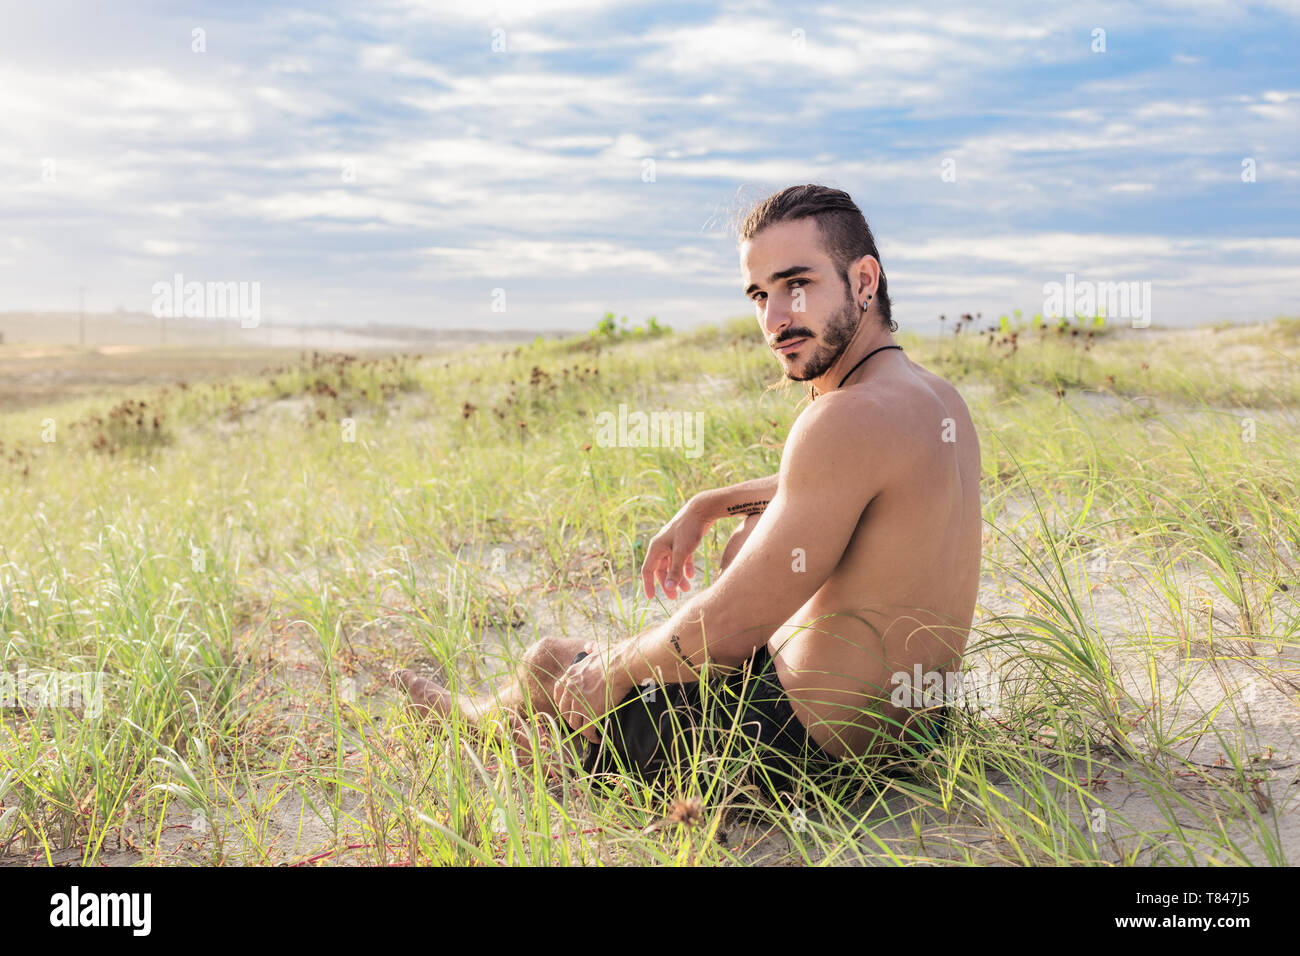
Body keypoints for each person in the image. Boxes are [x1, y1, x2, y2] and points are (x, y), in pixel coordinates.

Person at [392, 183, 982, 787]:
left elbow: (731, 629)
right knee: (748, 534)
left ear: (863, 280)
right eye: (760, 294)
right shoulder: (936, 401)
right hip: (918, 732)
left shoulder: (842, 416)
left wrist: (616, 668)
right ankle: (555, 735)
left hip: (796, 757)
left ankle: (480, 727)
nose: (775, 319)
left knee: (550, 663)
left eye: (796, 285)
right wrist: (711, 504)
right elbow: (840, 483)